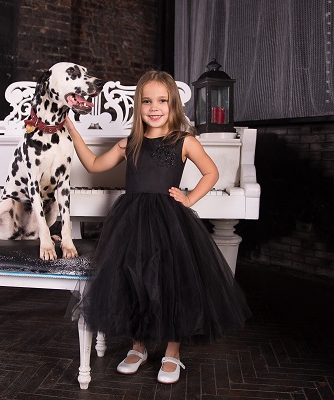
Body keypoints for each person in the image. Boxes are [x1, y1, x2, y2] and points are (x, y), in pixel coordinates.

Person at [65, 70, 251, 384]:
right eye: (147, 101)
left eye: (162, 100)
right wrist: (73, 131)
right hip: (132, 222)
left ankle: (172, 351)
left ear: (173, 104)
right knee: (134, 280)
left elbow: (211, 172)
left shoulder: (184, 141)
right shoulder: (130, 143)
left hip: (169, 222)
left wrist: (190, 198)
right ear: (138, 105)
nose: (154, 107)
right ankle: (137, 346)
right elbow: (94, 165)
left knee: (170, 281)